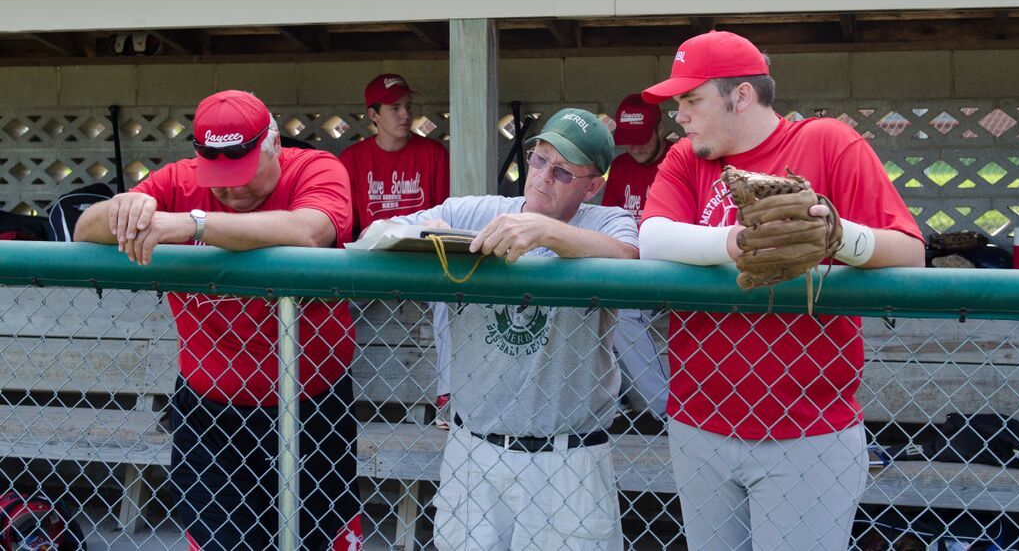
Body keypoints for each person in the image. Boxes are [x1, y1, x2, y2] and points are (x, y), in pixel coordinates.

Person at [638, 31, 925, 551]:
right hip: (698, 420)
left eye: (691, 100)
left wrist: (840, 236)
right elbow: (651, 237)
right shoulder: (687, 158)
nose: (678, 115)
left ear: (742, 96)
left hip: (807, 428)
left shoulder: (826, 141)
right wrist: (739, 240)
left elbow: (911, 252)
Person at [73, 90, 362, 551]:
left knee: (319, 537)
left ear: (271, 144)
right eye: (220, 177)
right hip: (211, 408)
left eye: (244, 173)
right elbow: (86, 227)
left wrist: (194, 224)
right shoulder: (177, 180)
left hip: (314, 403)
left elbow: (311, 231)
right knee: (219, 541)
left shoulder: (314, 166)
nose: (232, 189)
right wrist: (126, 210)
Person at [374, 108, 637, 550]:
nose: (543, 178)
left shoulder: (606, 221)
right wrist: (426, 230)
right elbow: (387, 228)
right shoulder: (477, 210)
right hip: (474, 447)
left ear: (592, 186)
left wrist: (544, 232)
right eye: (538, 160)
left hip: (567, 454)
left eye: (563, 172)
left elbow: (628, 256)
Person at [338, 72, 453, 426]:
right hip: (373, 262)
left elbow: (446, 217)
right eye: (394, 108)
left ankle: (449, 400)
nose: (404, 115)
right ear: (373, 115)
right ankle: (314, 389)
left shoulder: (433, 153)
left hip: (422, 261)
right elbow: (348, 226)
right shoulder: (353, 158)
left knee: (452, 301)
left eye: (407, 106)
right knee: (330, 306)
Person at [602, 93, 670, 417]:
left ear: (660, 128)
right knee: (592, 306)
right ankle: (614, 395)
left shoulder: (677, 160)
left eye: (642, 138)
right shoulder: (619, 167)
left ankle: (668, 409)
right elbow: (608, 224)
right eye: (628, 140)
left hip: (670, 269)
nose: (636, 147)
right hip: (631, 269)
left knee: (625, 313)